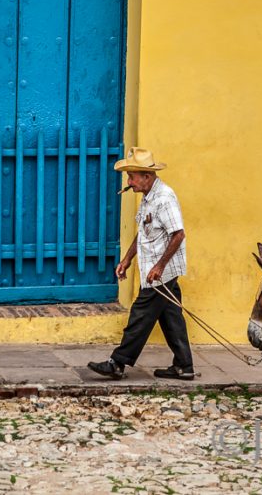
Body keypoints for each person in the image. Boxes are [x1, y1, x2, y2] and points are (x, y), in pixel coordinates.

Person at [87, 147, 194, 380]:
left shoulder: (164, 198)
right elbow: (143, 234)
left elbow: (178, 234)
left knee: (141, 314)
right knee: (170, 316)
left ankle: (118, 363)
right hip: (156, 271)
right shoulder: (148, 198)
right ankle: (184, 366)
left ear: (146, 176)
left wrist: (159, 267)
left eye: (132, 176)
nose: (129, 182)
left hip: (160, 273)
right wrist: (126, 259)